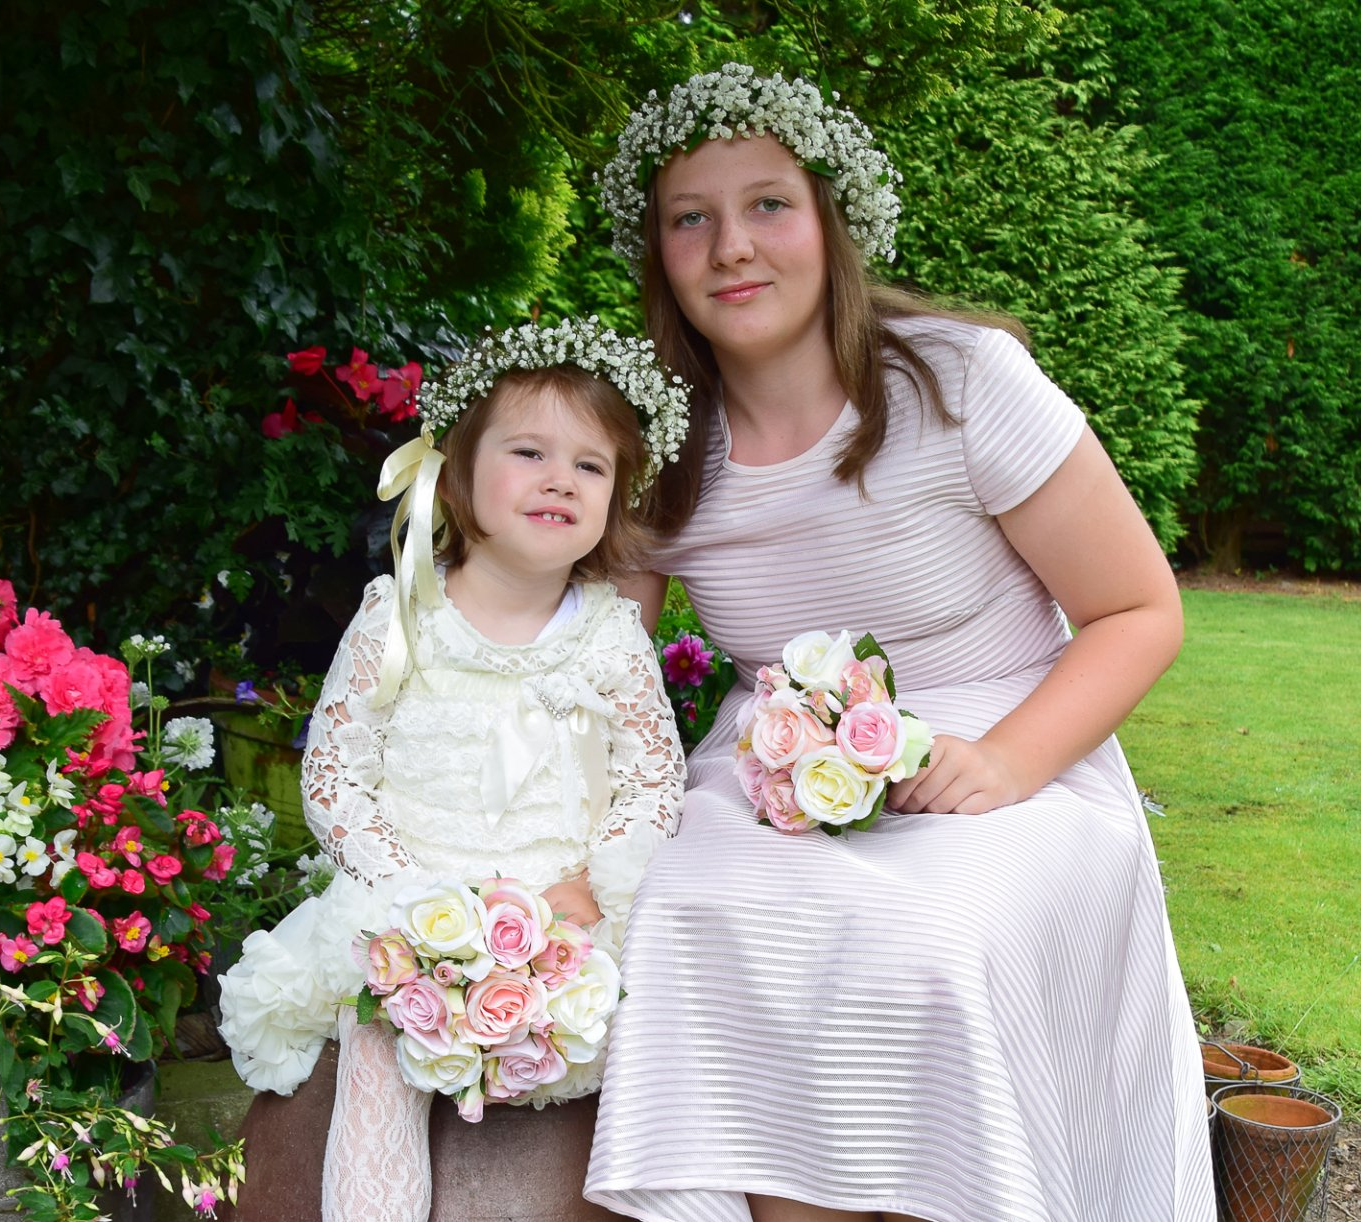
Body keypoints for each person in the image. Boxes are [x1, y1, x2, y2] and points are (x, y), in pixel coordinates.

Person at [582, 65, 1213, 1222]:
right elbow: (601, 674)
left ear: (831, 217)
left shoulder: (964, 383)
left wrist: (1012, 760)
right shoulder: (656, 446)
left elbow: (1139, 609)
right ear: (658, 252)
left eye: (768, 203)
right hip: (770, 773)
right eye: (691, 218)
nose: (733, 246)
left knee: (924, 938)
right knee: (690, 917)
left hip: (1014, 749)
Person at [216, 317, 689, 1221]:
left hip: (558, 908)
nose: (561, 479)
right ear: (460, 473)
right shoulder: (403, 617)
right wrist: (402, 893)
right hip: (412, 897)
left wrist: (590, 887)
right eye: (529, 452)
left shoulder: (609, 633)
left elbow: (653, 780)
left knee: (632, 1021)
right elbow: (335, 774)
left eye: (591, 467)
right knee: (379, 1028)